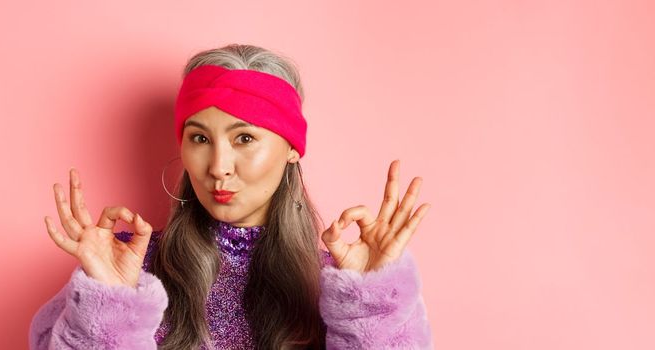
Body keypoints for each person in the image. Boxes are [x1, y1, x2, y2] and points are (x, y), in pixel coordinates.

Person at [29, 44, 434, 349]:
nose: (219, 165)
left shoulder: (342, 283)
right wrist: (109, 305)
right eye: (200, 138)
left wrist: (373, 304)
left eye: (244, 138)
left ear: (292, 148)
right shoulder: (127, 270)